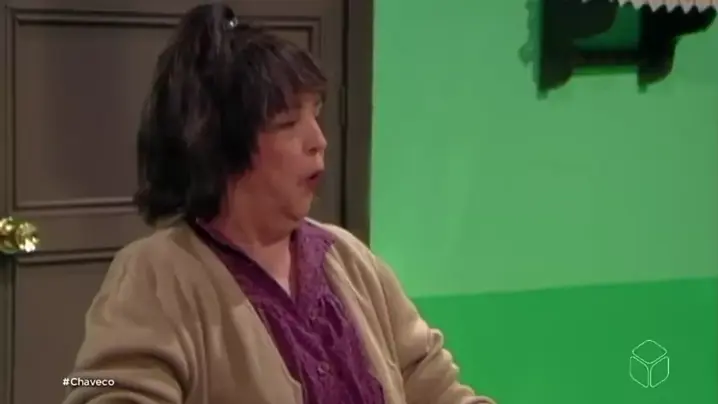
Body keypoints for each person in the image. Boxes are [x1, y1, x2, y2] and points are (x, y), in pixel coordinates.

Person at [62, 3, 495, 404]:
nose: (318, 141)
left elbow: (434, 386)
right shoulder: (156, 275)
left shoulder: (349, 259)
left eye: (316, 115)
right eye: (288, 122)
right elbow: (97, 386)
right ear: (221, 146)